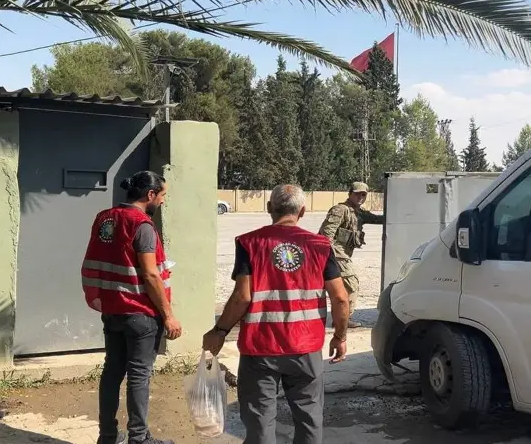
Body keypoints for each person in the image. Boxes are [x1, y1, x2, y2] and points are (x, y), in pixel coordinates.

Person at [201, 184, 350, 444]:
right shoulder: (320, 245)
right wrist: (340, 335)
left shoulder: (249, 243)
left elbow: (242, 296)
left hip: (260, 350)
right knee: (309, 420)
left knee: (260, 424)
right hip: (305, 350)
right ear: (302, 211)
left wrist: (220, 331)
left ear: (270, 208)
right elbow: (340, 297)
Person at [81, 170, 183, 444]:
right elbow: (150, 275)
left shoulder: (104, 218)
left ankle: (108, 436)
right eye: (162, 196)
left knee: (112, 371)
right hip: (140, 314)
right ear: (150, 195)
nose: (162, 201)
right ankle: (139, 438)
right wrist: (169, 315)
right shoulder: (142, 225)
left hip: (112, 310)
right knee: (139, 375)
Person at [318, 181, 384, 328]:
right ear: (350, 194)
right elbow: (326, 234)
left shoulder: (359, 213)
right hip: (335, 254)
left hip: (341, 256)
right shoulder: (340, 210)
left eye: (363, 194)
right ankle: (343, 319)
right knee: (352, 284)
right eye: (357, 193)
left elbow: (379, 219)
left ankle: (339, 318)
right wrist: (328, 257)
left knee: (341, 288)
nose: (360, 197)